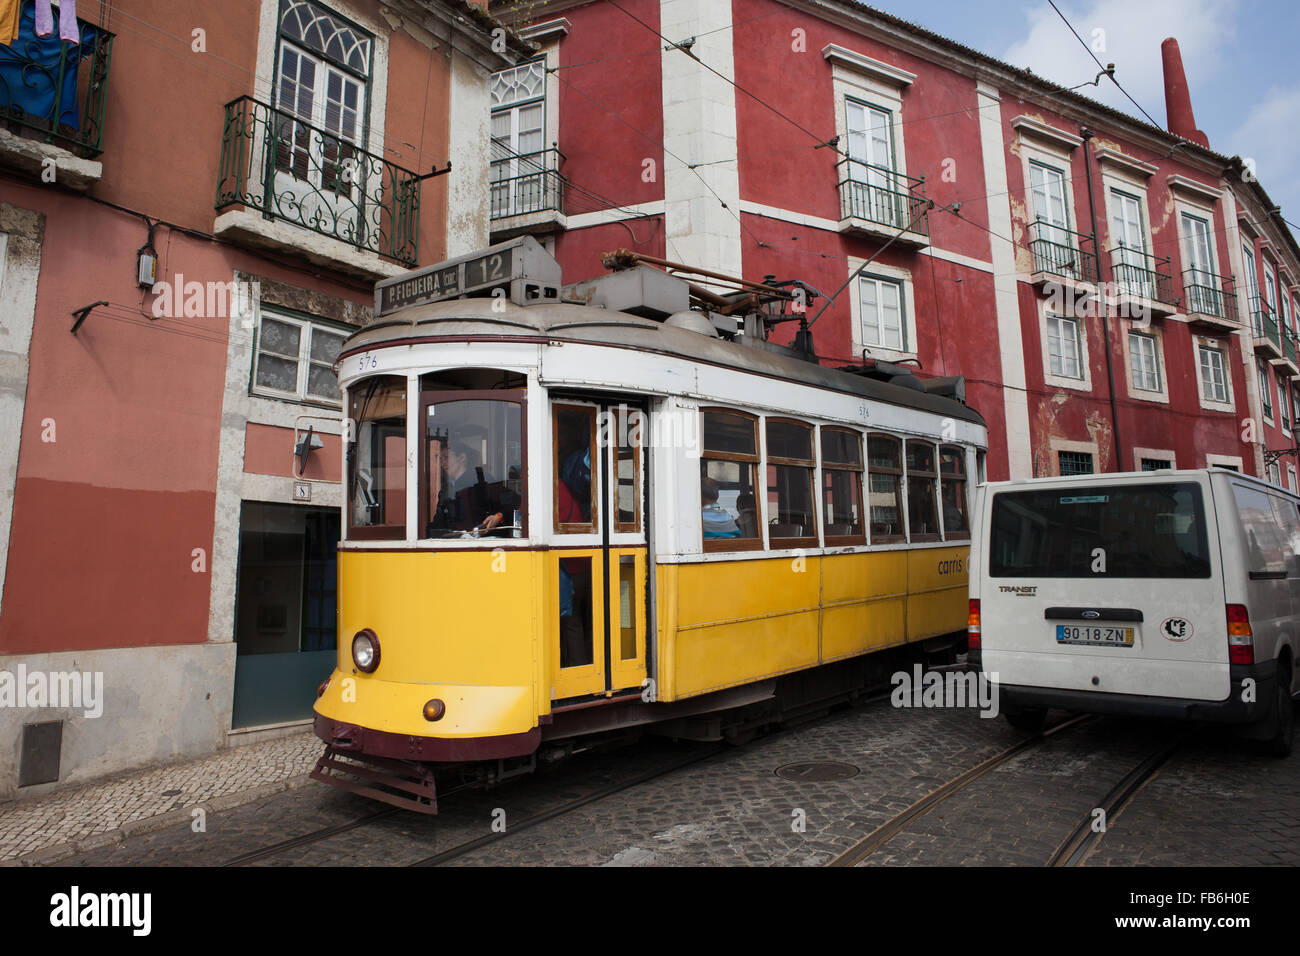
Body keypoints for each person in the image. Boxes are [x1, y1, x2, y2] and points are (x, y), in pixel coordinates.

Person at [431, 442, 514, 535]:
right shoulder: (446, 490)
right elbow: (438, 523)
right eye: (441, 459)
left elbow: (512, 502)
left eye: (446, 457)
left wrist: (499, 516)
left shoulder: (481, 480)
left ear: (462, 457)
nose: (442, 463)